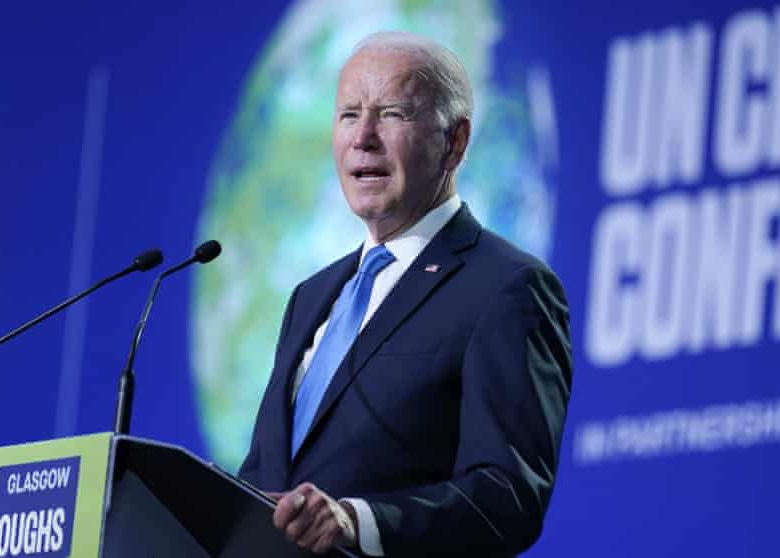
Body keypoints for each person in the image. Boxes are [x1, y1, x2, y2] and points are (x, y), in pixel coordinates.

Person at [238, 31, 572, 557]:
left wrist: (357, 522)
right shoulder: (311, 297)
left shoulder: (506, 287)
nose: (363, 137)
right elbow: (262, 479)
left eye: (392, 113)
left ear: (455, 142)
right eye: (349, 114)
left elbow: (509, 494)